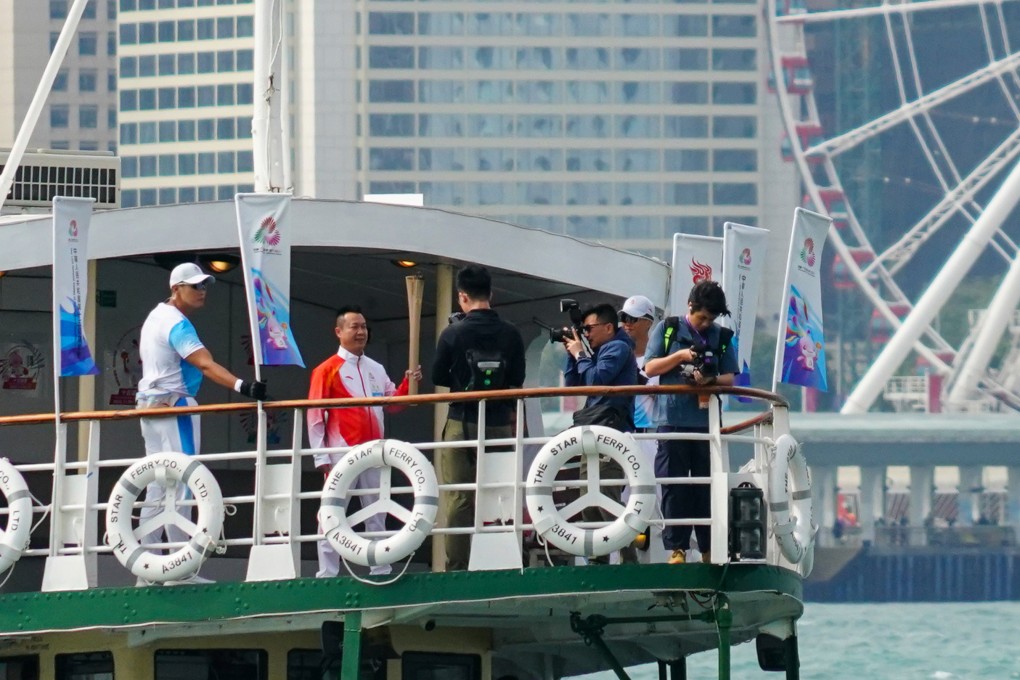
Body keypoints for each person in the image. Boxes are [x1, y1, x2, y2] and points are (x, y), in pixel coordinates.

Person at [136, 262, 267, 567]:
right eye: (195, 286)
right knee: (181, 481)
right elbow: (205, 364)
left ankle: (148, 564)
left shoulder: (154, 316)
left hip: (150, 407)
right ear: (176, 288)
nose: (202, 291)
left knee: (157, 483)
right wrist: (243, 386)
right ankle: (179, 567)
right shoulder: (177, 323)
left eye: (205, 285)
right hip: (175, 405)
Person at [307, 305, 423, 578]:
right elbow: (314, 416)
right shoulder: (326, 370)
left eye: (363, 327)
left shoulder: (375, 368)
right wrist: (321, 457)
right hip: (341, 453)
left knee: (377, 508)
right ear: (339, 332)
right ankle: (327, 572)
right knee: (333, 512)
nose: (361, 332)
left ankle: (380, 567)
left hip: (374, 451)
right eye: (354, 327)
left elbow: (392, 403)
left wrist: (408, 385)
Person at [432, 265, 526, 571]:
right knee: (498, 493)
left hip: (460, 421)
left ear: (462, 296)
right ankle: (501, 562)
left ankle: (457, 568)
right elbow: (517, 378)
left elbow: (438, 376)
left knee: (458, 498)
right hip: (499, 423)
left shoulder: (452, 333)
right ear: (491, 294)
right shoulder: (511, 333)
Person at [644, 280, 737, 565]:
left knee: (705, 487)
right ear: (690, 306)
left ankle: (708, 549)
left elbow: (729, 378)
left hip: (705, 424)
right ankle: (678, 550)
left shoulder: (721, 337)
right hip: (671, 421)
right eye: (702, 317)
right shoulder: (668, 328)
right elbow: (649, 368)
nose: (707, 323)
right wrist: (680, 356)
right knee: (674, 487)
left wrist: (709, 379)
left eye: (711, 319)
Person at [562, 302, 638, 564]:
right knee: (589, 499)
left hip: (611, 430)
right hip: (594, 429)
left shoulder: (617, 347)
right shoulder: (600, 350)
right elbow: (574, 386)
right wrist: (571, 353)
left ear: (608, 327)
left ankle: (629, 562)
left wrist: (581, 355)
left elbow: (596, 381)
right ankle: (598, 561)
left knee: (606, 497)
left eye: (589, 328)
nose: (587, 333)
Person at [618, 295, 660, 557]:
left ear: (648, 322)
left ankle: (654, 547)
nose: (626, 324)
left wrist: (642, 379)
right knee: (621, 497)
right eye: (623, 318)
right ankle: (619, 552)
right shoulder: (614, 355)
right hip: (621, 433)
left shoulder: (659, 360)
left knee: (653, 496)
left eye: (632, 319)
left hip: (650, 436)